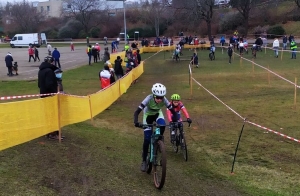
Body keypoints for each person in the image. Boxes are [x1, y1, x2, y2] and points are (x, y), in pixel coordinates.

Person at [133, 83, 178, 172]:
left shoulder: (164, 99)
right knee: (146, 139)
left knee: (162, 125)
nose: (159, 100)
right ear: (153, 95)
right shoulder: (148, 98)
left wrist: (176, 121)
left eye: (161, 98)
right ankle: (144, 161)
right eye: (157, 97)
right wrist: (136, 122)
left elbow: (173, 111)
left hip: (157, 114)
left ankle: (158, 142)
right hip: (148, 115)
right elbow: (137, 112)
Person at [38, 56, 62, 140]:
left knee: (47, 114)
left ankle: (48, 132)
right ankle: (52, 133)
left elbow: (39, 84)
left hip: (43, 95)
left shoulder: (41, 71)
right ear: (51, 62)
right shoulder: (49, 71)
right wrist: (55, 92)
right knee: (53, 114)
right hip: (50, 96)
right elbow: (49, 84)